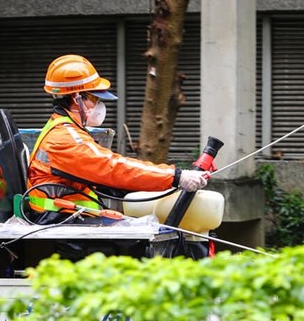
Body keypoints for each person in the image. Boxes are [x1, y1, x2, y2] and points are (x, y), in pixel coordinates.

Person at [26, 54, 208, 224]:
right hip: (59, 223)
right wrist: (175, 176)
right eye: (94, 98)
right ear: (76, 98)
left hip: (66, 219)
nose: (99, 104)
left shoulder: (65, 129)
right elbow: (112, 166)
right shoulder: (65, 139)